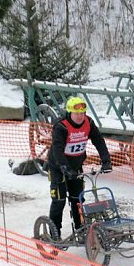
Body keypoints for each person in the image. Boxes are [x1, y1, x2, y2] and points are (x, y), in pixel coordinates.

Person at [47, 96, 113, 238]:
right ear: (70, 113)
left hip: (76, 166)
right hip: (58, 167)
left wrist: (106, 160)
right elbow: (57, 149)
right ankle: (54, 233)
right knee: (59, 200)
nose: (80, 116)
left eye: (82, 113)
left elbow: (98, 140)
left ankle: (81, 229)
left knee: (78, 199)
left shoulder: (88, 122)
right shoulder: (61, 126)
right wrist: (64, 167)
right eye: (77, 113)